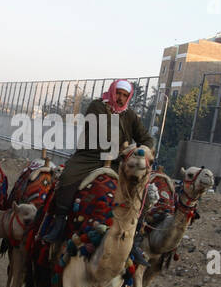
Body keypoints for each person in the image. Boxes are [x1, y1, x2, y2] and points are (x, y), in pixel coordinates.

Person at [40, 79, 155, 247]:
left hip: (118, 161)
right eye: (118, 93)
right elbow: (99, 133)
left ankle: (135, 234)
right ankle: (60, 221)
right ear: (112, 91)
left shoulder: (129, 115)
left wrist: (145, 149)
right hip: (90, 156)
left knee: (141, 189)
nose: (121, 98)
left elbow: (146, 137)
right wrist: (121, 150)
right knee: (67, 177)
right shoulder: (97, 106)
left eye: (125, 95)